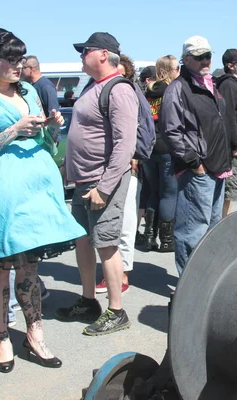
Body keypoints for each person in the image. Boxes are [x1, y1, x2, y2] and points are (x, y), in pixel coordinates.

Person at [0, 28, 85, 372]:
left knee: (30, 268)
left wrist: (52, 125)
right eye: (11, 59)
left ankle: (35, 335)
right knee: (1, 268)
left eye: (20, 58)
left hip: (37, 193)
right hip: (1, 195)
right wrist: (14, 129)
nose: (19, 65)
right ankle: (1, 337)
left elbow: (46, 138)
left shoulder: (28, 90)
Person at [56, 32, 138, 336]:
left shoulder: (119, 90)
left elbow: (124, 145)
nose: (81, 55)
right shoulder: (93, 86)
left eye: (85, 51)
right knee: (83, 241)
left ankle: (116, 311)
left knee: (105, 244)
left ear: (103, 54)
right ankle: (88, 300)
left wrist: (104, 187)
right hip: (82, 182)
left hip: (103, 183)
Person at [160, 35, 235, 275]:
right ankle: (187, 285)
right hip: (199, 170)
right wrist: (195, 163)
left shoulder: (210, 84)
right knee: (192, 231)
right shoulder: (177, 88)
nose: (205, 61)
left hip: (218, 167)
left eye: (208, 56)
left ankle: (205, 282)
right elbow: (172, 131)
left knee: (212, 230)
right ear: (185, 59)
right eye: (199, 57)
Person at [95, 54, 141, 294]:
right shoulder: (105, 91)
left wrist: (136, 156)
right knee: (115, 225)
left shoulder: (127, 92)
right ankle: (115, 274)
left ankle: (122, 275)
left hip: (127, 166)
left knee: (125, 222)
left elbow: (139, 133)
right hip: (110, 167)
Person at [142, 55, 180, 252]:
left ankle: (149, 237)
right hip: (167, 147)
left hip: (150, 148)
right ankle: (167, 240)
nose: (179, 71)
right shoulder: (172, 91)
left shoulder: (148, 92)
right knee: (169, 194)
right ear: (169, 70)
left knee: (154, 193)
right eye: (176, 68)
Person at [217, 49, 237, 217]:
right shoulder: (229, 85)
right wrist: (235, 144)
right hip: (231, 149)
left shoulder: (234, 84)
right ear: (231, 66)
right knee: (228, 192)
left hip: (236, 145)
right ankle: (222, 227)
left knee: (231, 191)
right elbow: (228, 116)